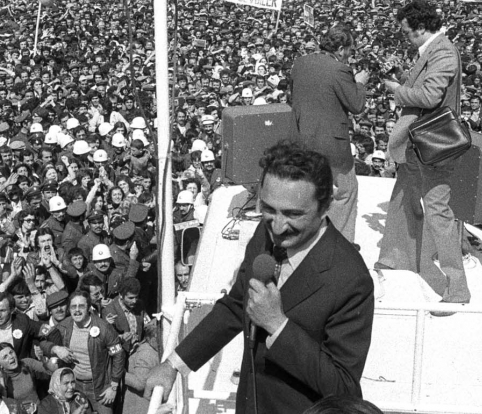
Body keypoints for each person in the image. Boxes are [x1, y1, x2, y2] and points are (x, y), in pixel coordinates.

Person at [145, 140, 374, 414]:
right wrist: (174, 364)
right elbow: (236, 306)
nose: (277, 226)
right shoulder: (263, 235)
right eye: (268, 208)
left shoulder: (349, 278)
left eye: (293, 214)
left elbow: (344, 387)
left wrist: (278, 326)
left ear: (325, 206)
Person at [376, 0, 470, 307]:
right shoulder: (431, 50)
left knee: (437, 210)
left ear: (420, 28)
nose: (403, 36)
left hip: (434, 145)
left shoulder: (442, 51)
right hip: (418, 143)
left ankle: (457, 288)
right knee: (402, 195)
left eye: (405, 31)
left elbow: (430, 96)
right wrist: (403, 75)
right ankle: (394, 257)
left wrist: (394, 88)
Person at [289, 24, 369, 242]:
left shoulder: (301, 63)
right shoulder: (340, 70)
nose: (350, 58)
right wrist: (360, 83)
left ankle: (308, 238)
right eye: (350, 52)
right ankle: (338, 242)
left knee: (311, 192)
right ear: (341, 49)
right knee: (347, 190)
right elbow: (356, 105)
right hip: (331, 144)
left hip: (303, 138)